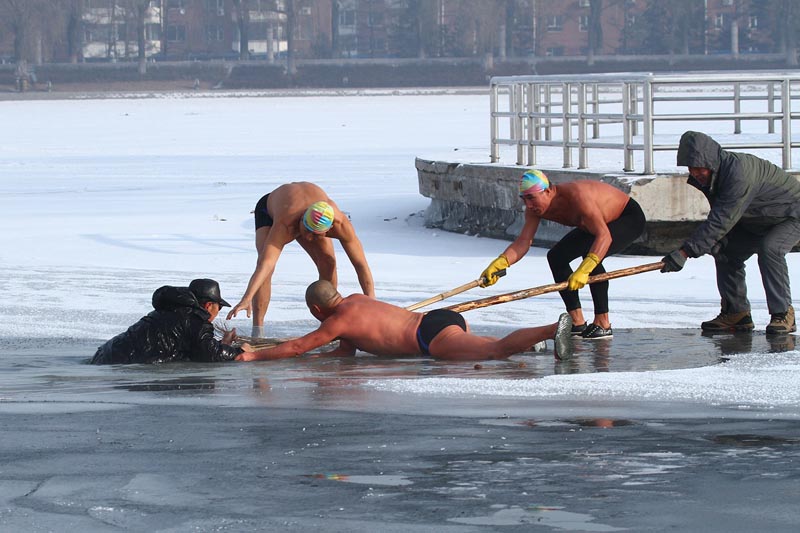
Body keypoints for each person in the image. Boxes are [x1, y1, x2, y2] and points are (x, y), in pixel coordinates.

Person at [478, 169, 646, 339]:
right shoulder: (534, 209)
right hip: (594, 225)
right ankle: (577, 322)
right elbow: (523, 242)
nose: (528, 205)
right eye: (524, 199)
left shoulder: (577, 197)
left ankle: (603, 323)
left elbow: (604, 236)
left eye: (531, 198)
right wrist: (500, 263)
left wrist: (584, 270)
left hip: (627, 217)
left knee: (592, 255)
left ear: (549, 191)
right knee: (557, 256)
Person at [660, 131, 800, 334]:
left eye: (699, 167)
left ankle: (783, 313)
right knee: (725, 251)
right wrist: (715, 242)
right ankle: (736, 313)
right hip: (757, 218)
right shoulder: (712, 176)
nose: (695, 172)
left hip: (790, 214)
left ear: (711, 161)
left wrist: (685, 252)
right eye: (691, 167)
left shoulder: (738, 173)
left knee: (770, 249)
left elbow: (722, 219)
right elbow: (723, 217)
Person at [236, 280, 574, 362]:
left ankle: (550, 328)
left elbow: (296, 346)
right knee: (485, 346)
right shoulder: (355, 301)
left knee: (494, 351)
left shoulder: (337, 322)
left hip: (430, 336)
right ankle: (537, 342)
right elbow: (344, 354)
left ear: (315, 310)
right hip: (438, 320)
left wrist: (252, 355)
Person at [228, 182, 375, 337]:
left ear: (330, 229)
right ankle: (257, 330)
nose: (309, 238)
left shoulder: (341, 225)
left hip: (305, 216)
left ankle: (329, 323)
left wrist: (372, 302)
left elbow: (361, 265)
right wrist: (247, 298)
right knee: (267, 267)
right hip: (270, 210)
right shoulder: (286, 225)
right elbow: (265, 264)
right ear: (302, 221)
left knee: (328, 261)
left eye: (316, 235)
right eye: (307, 231)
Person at [91, 279, 253, 365]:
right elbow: (209, 355)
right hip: (121, 363)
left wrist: (223, 343)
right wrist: (240, 351)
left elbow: (196, 346)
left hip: (105, 354)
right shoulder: (194, 319)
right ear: (208, 305)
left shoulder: (173, 311)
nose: (218, 313)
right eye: (219, 308)